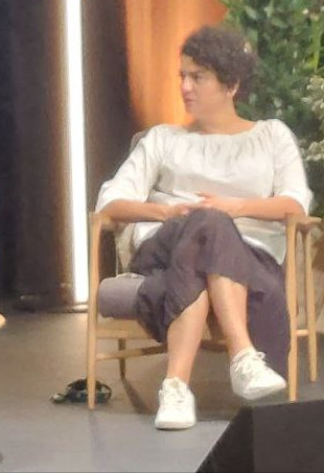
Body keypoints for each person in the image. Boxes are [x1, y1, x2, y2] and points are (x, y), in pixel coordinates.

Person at [95, 25, 311, 431]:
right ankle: (244, 357)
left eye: (198, 77)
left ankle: (175, 386)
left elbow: (295, 202)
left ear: (231, 85)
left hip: (247, 256)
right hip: (165, 244)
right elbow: (111, 202)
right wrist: (168, 214)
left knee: (210, 231)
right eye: (182, 76)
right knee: (205, 224)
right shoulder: (163, 139)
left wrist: (235, 207)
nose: (185, 86)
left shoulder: (270, 136)